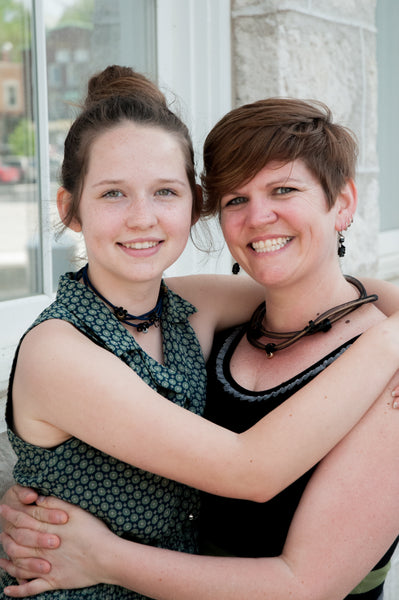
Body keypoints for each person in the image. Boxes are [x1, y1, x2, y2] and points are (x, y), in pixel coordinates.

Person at [2, 79, 399, 600]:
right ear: (71, 208)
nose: (142, 217)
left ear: (192, 207)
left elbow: (335, 288)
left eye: (165, 191)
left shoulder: (193, 309)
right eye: (112, 193)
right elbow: (248, 469)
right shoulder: (62, 349)